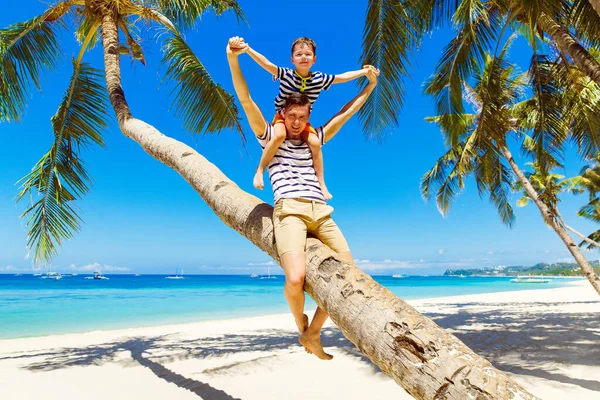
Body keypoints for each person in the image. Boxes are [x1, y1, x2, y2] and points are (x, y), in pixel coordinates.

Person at [226, 36, 379, 360]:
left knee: (352, 275)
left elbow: (345, 112)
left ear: (308, 116)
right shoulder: (270, 135)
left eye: (302, 117)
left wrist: (369, 87)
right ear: (283, 113)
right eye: (291, 116)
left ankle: (313, 334)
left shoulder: (315, 137)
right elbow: (245, 98)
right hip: (290, 212)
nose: (296, 122)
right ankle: (301, 322)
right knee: (295, 278)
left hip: (322, 213)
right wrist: (233, 58)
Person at [232, 36, 371, 200]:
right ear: (292, 59)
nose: (303, 57)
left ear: (314, 59)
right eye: (299, 54)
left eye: (307, 54)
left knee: (314, 143)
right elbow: (267, 64)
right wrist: (247, 50)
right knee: (279, 135)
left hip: (302, 120)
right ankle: (260, 170)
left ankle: (322, 184)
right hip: (282, 118)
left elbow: (342, 77)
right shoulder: (286, 74)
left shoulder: (320, 79)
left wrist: (364, 72)